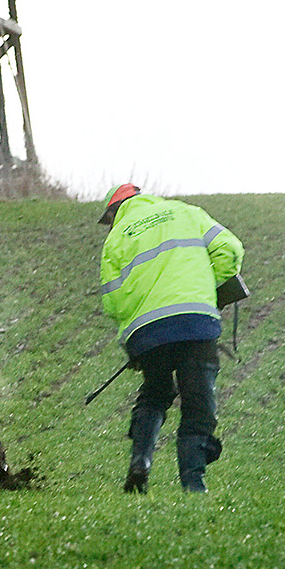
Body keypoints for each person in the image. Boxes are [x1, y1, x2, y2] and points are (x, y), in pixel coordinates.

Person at [97, 183, 244, 493]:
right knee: (197, 403)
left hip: (147, 331)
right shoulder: (186, 212)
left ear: (115, 211)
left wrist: (133, 337)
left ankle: (141, 462)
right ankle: (194, 485)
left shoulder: (116, 239)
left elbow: (112, 302)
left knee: (155, 392)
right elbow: (230, 250)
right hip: (195, 321)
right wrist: (207, 287)